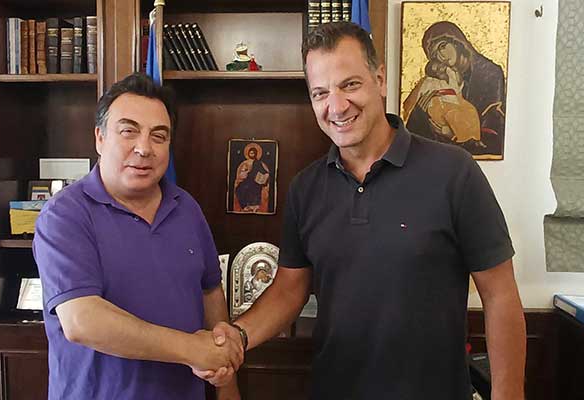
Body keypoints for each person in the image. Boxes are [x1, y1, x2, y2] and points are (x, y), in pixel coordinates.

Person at [196, 22, 526, 400]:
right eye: (321, 93)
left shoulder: (454, 172)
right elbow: (290, 288)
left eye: (350, 85)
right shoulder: (306, 188)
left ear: (379, 80)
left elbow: (500, 295)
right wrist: (238, 335)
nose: (336, 106)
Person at [33, 73, 242, 400]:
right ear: (100, 138)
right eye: (128, 131)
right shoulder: (64, 214)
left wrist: (226, 385)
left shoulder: (186, 208)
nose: (144, 148)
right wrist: (192, 349)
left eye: (159, 136)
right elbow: (82, 320)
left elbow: (210, 292)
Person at [403, 21, 506, 157]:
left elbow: (493, 137)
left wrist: (453, 134)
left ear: (457, 42)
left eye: (443, 46)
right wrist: (419, 114)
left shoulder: (489, 73)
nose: (441, 55)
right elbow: (413, 138)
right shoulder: (442, 79)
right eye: (435, 54)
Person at [234, 142, 270, 212]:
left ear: (256, 154)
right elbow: (240, 173)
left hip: (255, 181)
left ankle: (253, 206)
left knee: (252, 188)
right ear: (248, 154)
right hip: (248, 179)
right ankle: (245, 206)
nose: (252, 154)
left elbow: (264, 172)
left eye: (253, 153)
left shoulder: (258, 163)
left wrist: (264, 177)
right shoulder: (245, 163)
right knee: (239, 188)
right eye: (250, 153)